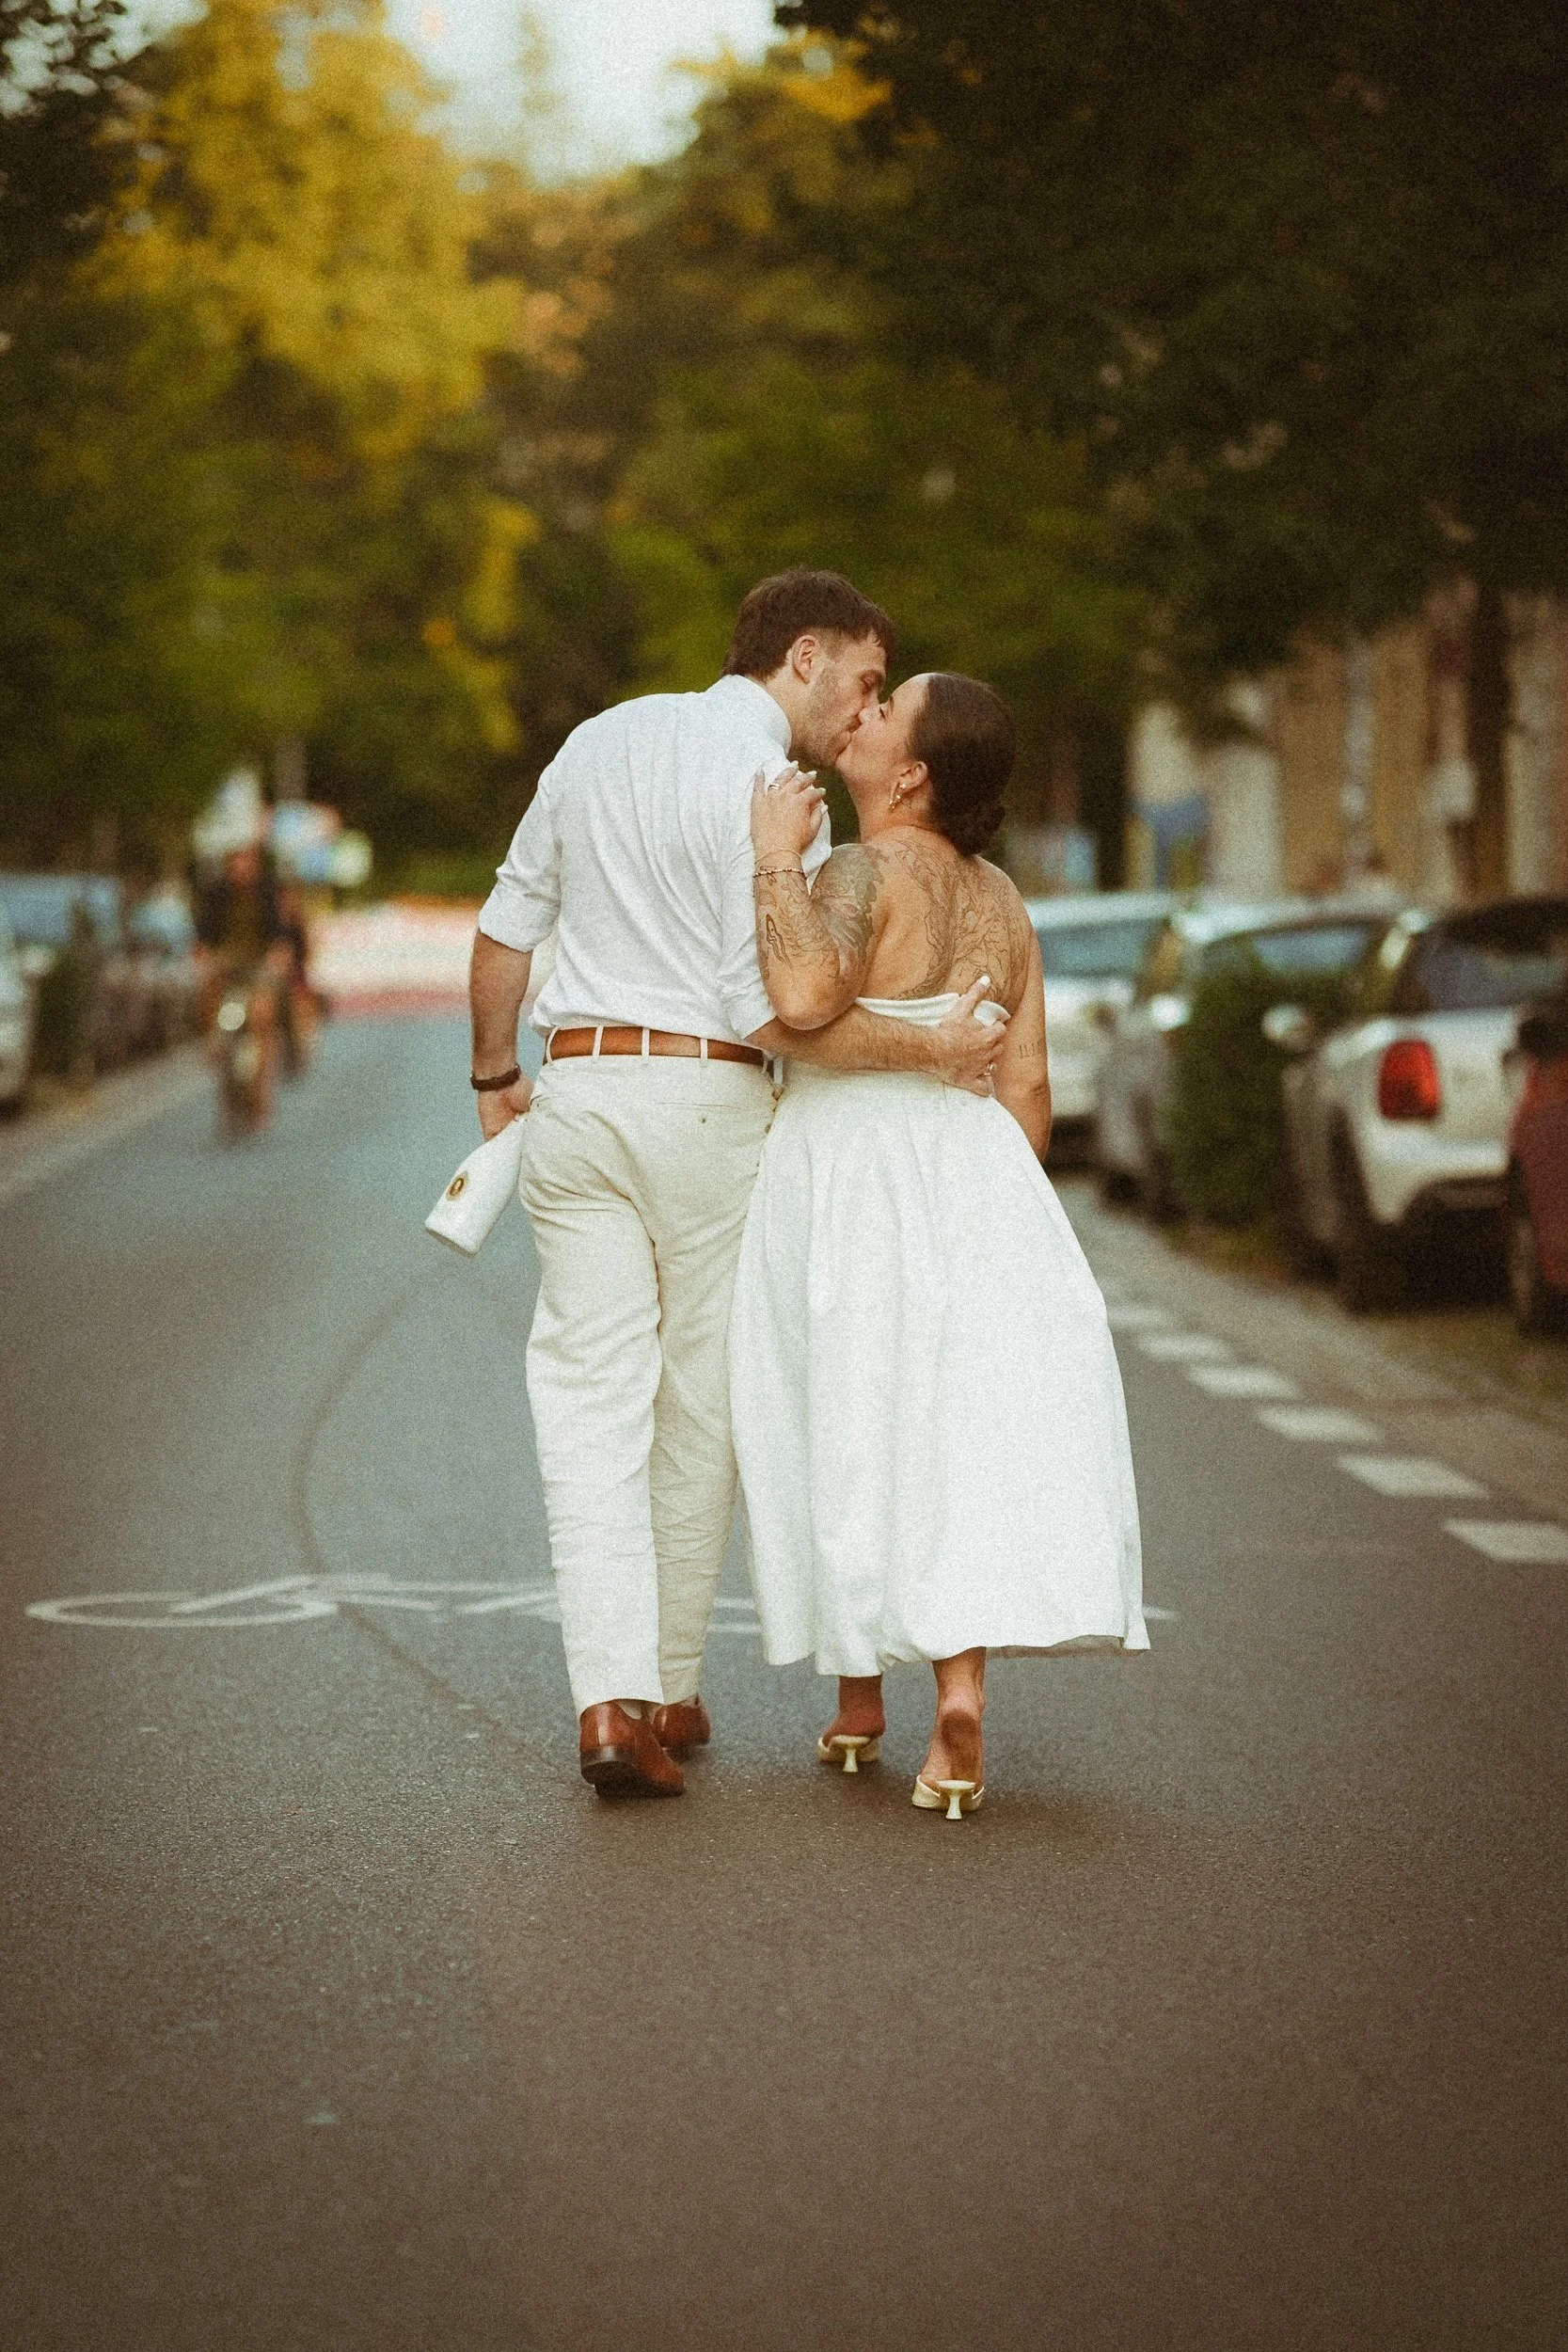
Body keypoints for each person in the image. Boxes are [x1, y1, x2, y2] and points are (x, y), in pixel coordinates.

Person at [467, 571, 1008, 1800]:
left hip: (577, 1091)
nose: (862, 709)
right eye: (863, 680)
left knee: (587, 1401)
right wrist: (927, 1047)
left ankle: (611, 1700)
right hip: (707, 1105)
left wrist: (495, 1074)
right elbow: (777, 1010)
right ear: (803, 656)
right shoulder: (782, 802)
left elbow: (504, 933)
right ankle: (661, 1683)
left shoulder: (595, 742)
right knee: (699, 1402)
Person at [731, 672, 1147, 1820]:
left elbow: (801, 994)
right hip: (978, 1175)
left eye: (884, 712)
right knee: (948, 1432)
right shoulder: (1002, 900)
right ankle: (952, 1697)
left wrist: (774, 857)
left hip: (847, 1170)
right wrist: (986, 1201)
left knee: (845, 1413)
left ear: (909, 772)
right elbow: (1028, 1086)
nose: (859, 717)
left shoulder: (861, 872)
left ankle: (858, 1693)